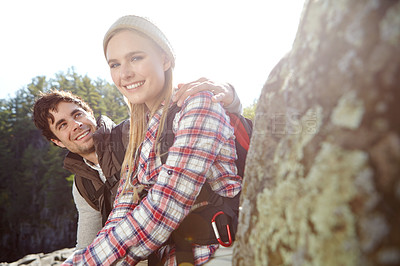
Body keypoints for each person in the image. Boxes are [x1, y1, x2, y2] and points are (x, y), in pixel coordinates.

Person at [63, 15, 242, 265]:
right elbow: (122, 209)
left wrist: (86, 263)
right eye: (114, 64)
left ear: (165, 59)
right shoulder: (138, 133)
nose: (125, 73)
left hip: (221, 251)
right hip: (174, 257)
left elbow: (164, 207)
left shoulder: (197, 105)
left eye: (136, 57)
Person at [33, 84, 241, 249]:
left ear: (90, 114)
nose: (76, 125)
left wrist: (229, 94)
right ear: (57, 142)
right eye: (62, 125)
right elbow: (87, 242)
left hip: (208, 238)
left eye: (77, 114)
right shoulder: (82, 184)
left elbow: (200, 112)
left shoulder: (132, 132)